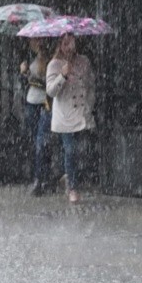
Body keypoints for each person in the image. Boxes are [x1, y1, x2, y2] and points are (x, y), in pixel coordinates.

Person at [45, 33, 96, 204]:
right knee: (70, 150)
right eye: (65, 43)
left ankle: (69, 176)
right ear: (60, 45)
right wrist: (62, 76)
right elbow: (51, 91)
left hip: (81, 115)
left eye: (71, 42)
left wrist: (89, 106)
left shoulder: (84, 61)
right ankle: (72, 187)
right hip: (65, 116)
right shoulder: (54, 64)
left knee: (82, 151)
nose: (69, 47)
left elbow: (90, 85)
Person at [20, 37, 56, 196]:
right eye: (32, 40)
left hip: (45, 104)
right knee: (36, 143)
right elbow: (29, 82)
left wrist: (34, 74)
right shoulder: (30, 57)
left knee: (41, 143)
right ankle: (44, 177)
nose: (33, 43)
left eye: (36, 40)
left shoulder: (51, 58)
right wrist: (25, 73)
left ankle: (39, 179)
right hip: (31, 103)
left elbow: (47, 83)